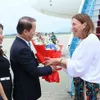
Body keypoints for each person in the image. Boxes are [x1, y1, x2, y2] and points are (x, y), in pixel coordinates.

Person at [44, 13, 100, 100]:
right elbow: (75, 64)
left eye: (74, 24)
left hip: (88, 88)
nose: (72, 28)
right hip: (83, 85)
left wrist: (59, 60)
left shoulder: (90, 40)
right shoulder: (84, 41)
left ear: (84, 25)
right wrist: (58, 62)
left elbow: (79, 68)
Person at [10, 16, 57, 100]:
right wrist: (50, 68)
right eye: (33, 31)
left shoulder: (20, 43)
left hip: (25, 91)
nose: (34, 33)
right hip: (25, 92)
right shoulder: (22, 48)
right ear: (25, 31)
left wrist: (39, 60)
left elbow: (26, 64)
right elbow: (33, 71)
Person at [0, 24, 12, 100]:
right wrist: (5, 98)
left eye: (2, 33)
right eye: (0, 33)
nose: (2, 36)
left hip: (6, 91)